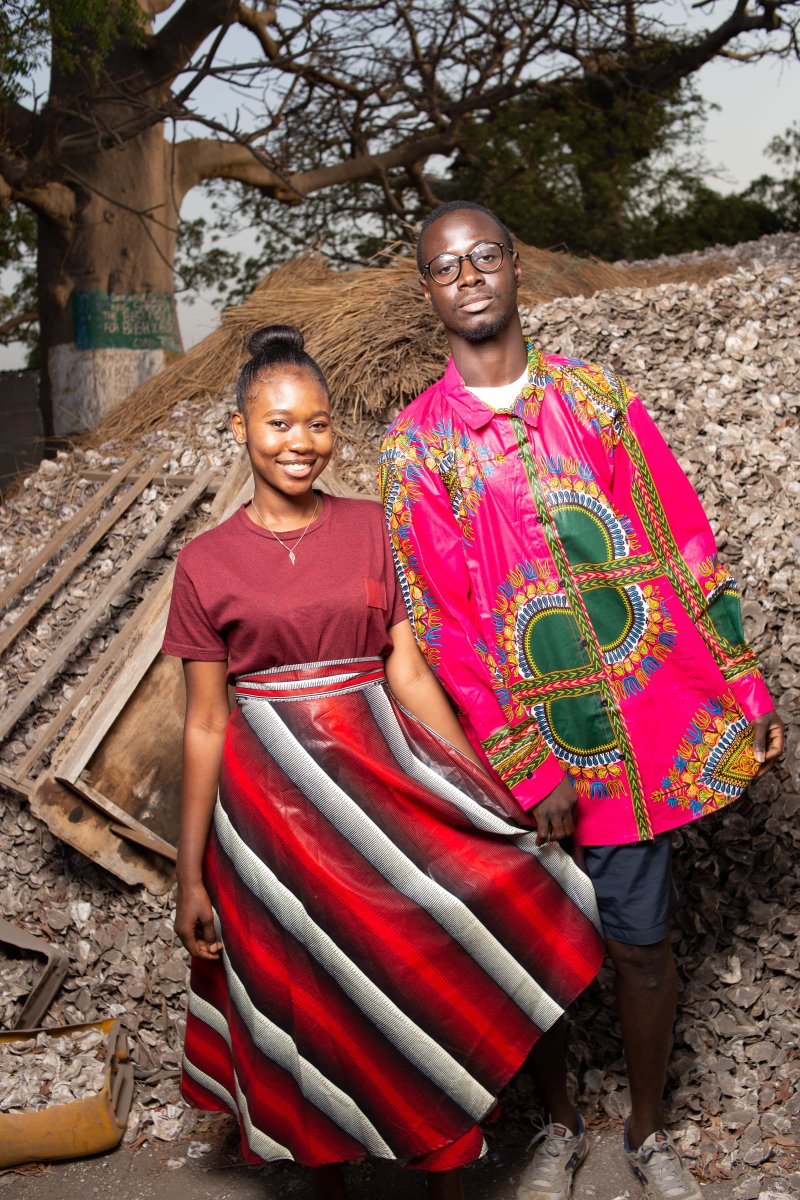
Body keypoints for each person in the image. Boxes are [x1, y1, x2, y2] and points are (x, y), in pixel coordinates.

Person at [378, 202, 785, 1200]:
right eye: (445, 266)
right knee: (536, 961)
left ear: (514, 268)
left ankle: (647, 1133)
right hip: (513, 761)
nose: (468, 276)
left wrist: (740, 679)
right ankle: (557, 1127)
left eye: (483, 256)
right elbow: (442, 624)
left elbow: (680, 536)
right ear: (428, 293)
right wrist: (526, 763)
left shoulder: (597, 401)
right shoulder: (415, 448)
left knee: (642, 947)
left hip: (636, 747)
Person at [162, 324, 605, 1200]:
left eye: (318, 423)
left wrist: (479, 787)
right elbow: (206, 723)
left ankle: (446, 1170)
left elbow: (407, 672)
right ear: (241, 428)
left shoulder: (371, 527)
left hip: (382, 787)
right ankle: (327, 1177)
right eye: (279, 424)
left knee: (423, 961)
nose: (301, 442)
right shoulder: (204, 564)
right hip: (270, 822)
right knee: (308, 995)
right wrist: (190, 875)